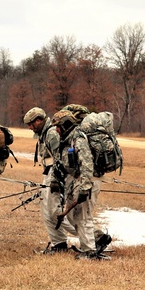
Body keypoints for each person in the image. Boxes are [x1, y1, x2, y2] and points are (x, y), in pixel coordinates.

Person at [50, 109, 107, 260]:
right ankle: (96, 241)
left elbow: (86, 164)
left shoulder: (78, 139)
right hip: (78, 179)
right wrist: (55, 180)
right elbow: (59, 161)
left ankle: (89, 251)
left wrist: (85, 187)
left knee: (83, 216)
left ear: (65, 124)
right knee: (73, 216)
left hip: (87, 180)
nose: (56, 129)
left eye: (58, 126)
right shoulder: (66, 139)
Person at [24, 107, 77, 254]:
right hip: (49, 174)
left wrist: (56, 180)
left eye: (30, 124)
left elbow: (59, 158)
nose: (29, 127)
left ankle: (94, 237)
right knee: (47, 212)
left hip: (56, 175)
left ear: (38, 121)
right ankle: (59, 244)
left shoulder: (51, 133)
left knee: (56, 211)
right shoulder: (44, 133)